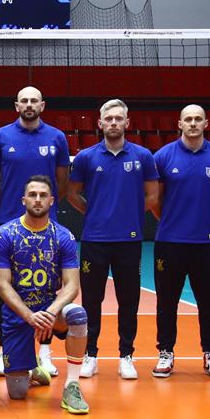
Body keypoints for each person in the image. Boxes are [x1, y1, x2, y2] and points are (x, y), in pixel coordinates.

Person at [64, 99, 158, 380]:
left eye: (119, 118)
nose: (114, 123)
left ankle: (126, 355)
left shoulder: (143, 156)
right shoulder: (86, 157)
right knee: (91, 300)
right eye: (109, 118)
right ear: (100, 123)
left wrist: (130, 214)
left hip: (129, 240)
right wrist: (93, 212)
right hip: (95, 239)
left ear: (127, 123)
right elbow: (71, 193)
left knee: (128, 301)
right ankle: (90, 354)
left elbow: (153, 195)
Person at [0, 86, 70, 377]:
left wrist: (42, 210)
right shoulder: (1, 136)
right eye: (24, 100)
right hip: (10, 225)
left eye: (34, 100)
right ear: (16, 105)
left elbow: (62, 181)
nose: (29, 104)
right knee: (5, 291)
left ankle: (45, 352)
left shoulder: (57, 137)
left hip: (46, 228)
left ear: (42, 105)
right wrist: (10, 209)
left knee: (47, 290)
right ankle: (4, 351)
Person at [0, 175, 90, 415]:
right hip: (17, 313)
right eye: (32, 195)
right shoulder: (4, 235)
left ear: (52, 201)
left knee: (78, 314)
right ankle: (30, 367)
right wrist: (30, 316)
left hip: (50, 309)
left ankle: (72, 385)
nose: (37, 200)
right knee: (17, 393)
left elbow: (72, 286)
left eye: (43, 195)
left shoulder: (63, 236)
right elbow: (3, 286)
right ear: (23, 199)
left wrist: (50, 312)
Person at [151, 104, 210, 379]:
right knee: (166, 302)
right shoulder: (163, 156)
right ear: (180, 123)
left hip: (207, 244)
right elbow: (155, 200)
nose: (193, 123)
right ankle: (165, 352)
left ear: (206, 123)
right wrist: (172, 221)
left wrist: (204, 220)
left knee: (209, 303)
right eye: (188, 119)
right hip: (169, 243)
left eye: (198, 119)